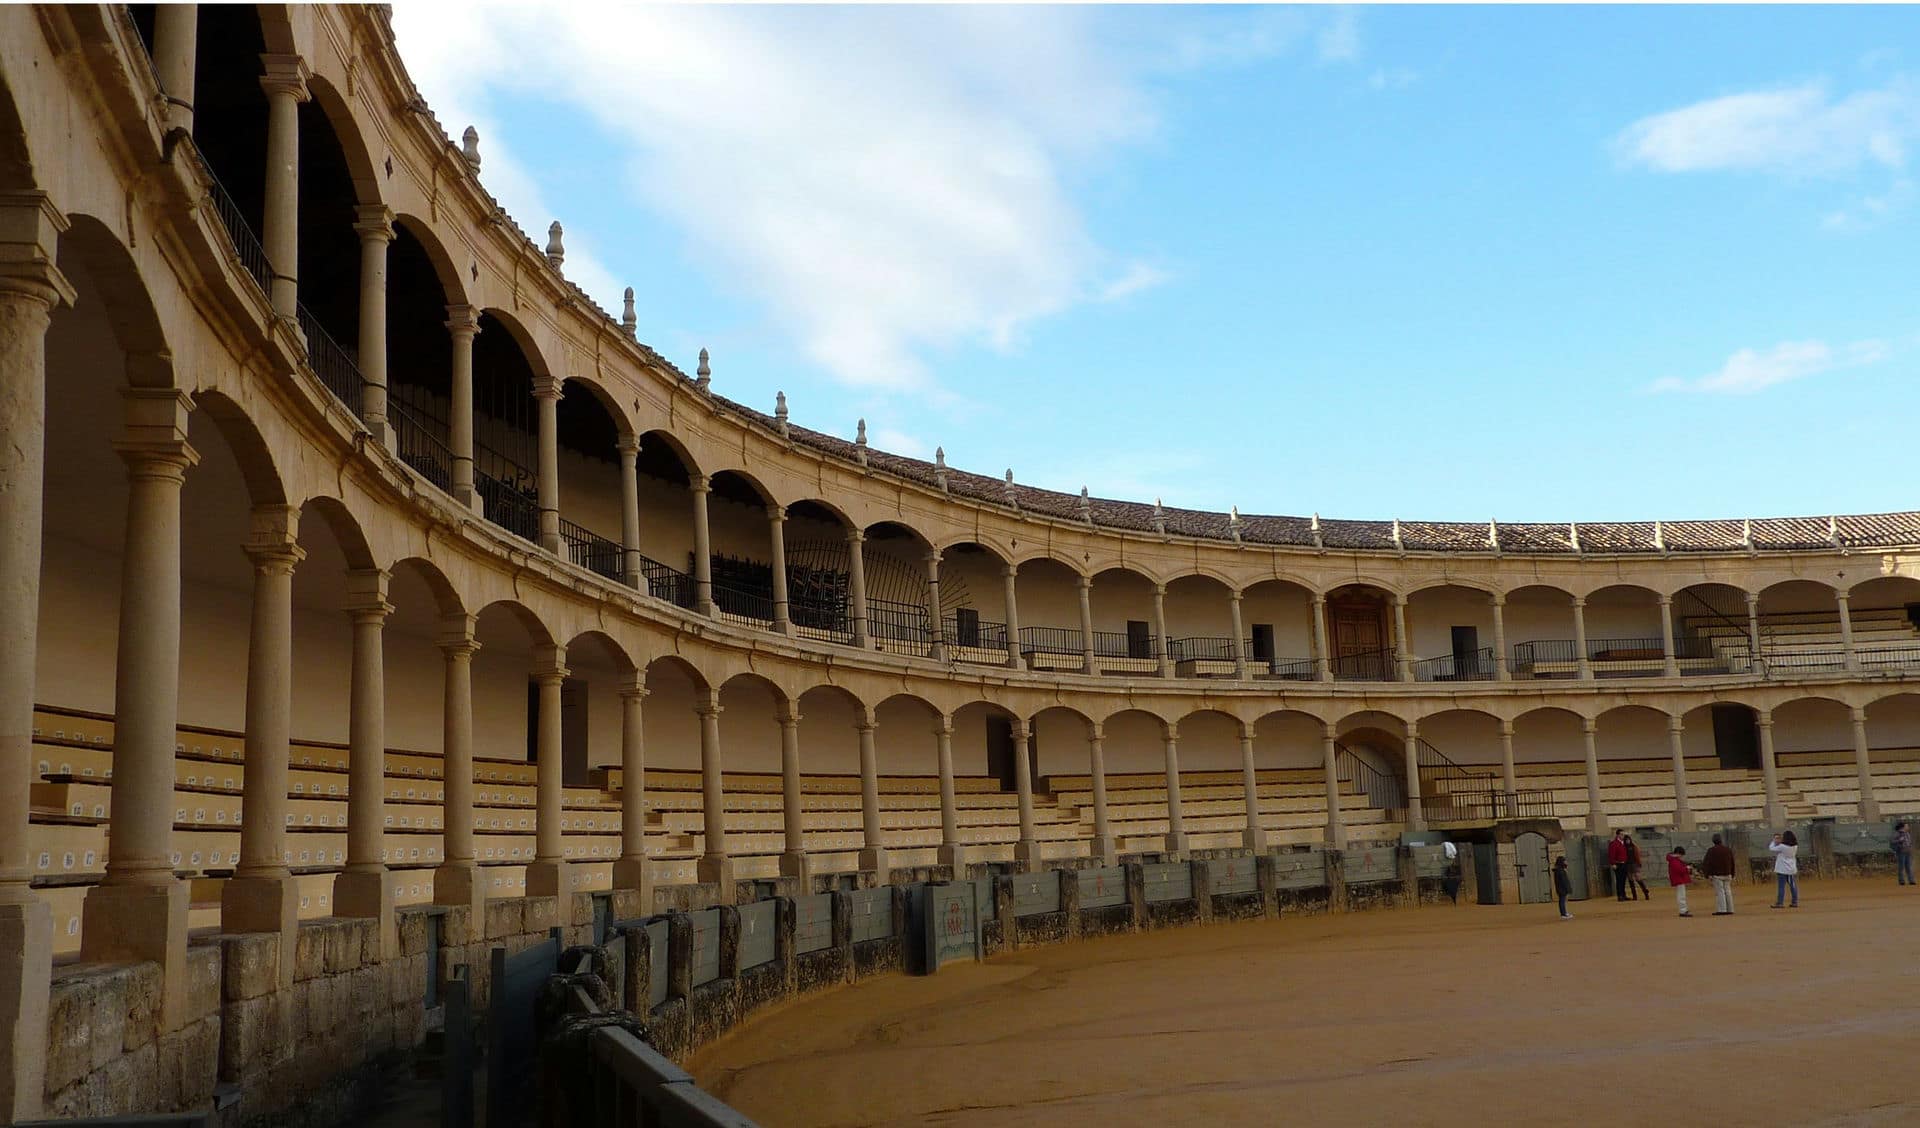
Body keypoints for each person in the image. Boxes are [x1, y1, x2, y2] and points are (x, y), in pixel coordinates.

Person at [1702, 833, 1738, 915]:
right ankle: (1730, 909)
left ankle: (1722, 910)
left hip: (1717, 875)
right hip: (1727, 873)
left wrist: (1708, 874)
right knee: (1728, 891)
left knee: (1720, 892)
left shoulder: (1711, 850)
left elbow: (1707, 863)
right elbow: (1732, 862)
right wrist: (1732, 873)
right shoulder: (1728, 849)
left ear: (1713, 841)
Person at [1769, 830, 1799, 908]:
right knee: (1793, 886)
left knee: (1781, 887)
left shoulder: (1782, 846)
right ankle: (1795, 902)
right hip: (1791, 868)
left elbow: (1772, 848)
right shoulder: (1795, 846)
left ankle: (1780, 903)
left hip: (1782, 869)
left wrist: (1774, 840)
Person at [1666, 845, 1694, 917]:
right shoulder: (1674, 860)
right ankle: (1683, 910)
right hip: (1679, 879)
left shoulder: (1673, 859)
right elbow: (1679, 870)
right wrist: (1687, 868)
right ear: (1678, 853)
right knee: (1681, 895)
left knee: (1681, 895)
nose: (1681, 856)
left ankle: (1683, 910)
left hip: (1678, 879)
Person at [1624, 834, 1651, 901]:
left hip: (1634, 864)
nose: (1628, 841)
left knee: (1638, 878)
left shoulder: (1634, 847)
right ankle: (1635, 896)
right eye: (1626, 840)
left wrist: (1639, 863)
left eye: (1628, 840)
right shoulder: (1624, 847)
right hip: (1627, 864)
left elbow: (1638, 855)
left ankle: (1645, 891)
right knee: (1631, 880)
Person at [1607, 829, 1631, 902]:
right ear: (1617, 835)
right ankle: (1620, 896)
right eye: (1621, 834)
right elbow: (1611, 855)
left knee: (1623, 880)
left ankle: (1623, 895)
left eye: (1623, 834)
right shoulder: (1614, 843)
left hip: (1624, 864)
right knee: (1619, 880)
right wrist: (1613, 863)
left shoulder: (1624, 843)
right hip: (1618, 864)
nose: (1623, 836)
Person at [1895, 822, 1914, 887]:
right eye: (1906, 826)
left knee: (1908, 867)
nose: (1908, 827)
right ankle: (1902, 881)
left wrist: (1910, 848)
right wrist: (1899, 841)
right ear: (1903, 827)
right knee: (1902, 867)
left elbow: (1909, 842)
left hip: (1908, 851)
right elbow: (1892, 841)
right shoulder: (1898, 833)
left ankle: (1911, 880)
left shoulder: (1907, 833)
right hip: (1901, 852)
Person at [1553, 855, 1573, 920]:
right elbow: (1564, 881)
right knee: (1562, 901)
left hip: (1561, 888)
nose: (1566, 862)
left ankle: (1564, 913)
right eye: (1564, 861)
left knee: (1563, 901)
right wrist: (1567, 888)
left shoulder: (1559, 869)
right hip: (1562, 889)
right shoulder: (1560, 870)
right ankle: (1563, 914)